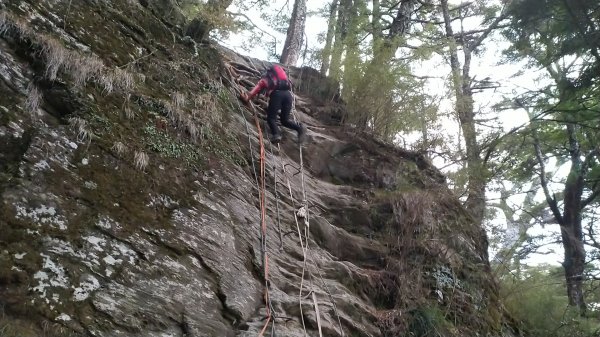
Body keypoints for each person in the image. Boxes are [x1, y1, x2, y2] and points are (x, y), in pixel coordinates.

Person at [240, 64, 307, 144]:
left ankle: (276, 134)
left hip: (277, 95)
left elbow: (254, 91)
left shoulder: (264, 80)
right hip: (288, 95)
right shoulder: (281, 78)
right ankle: (299, 128)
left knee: (271, 118)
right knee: (284, 120)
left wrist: (246, 98)